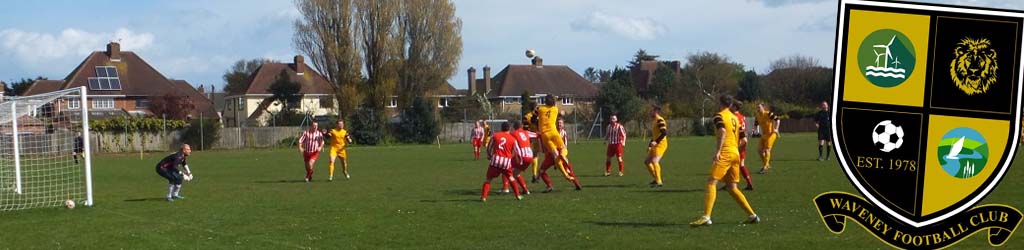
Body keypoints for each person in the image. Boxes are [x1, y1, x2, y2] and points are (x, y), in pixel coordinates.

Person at [691, 95, 760, 226]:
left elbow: (722, 131)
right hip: (735, 154)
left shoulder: (719, 116)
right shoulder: (735, 118)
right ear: (730, 105)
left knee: (711, 182)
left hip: (726, 153)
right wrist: (734, 149)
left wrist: (718, 152)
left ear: (720, 103)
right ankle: (752, 215)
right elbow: (744, 140)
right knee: (732, 187)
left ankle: (706, 217)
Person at [533, 95, 581, 192]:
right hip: (551, 145)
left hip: (546, 137)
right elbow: (560, 113)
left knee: (556, 158)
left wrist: (538, 120)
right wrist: (561, 113)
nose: (559, 124)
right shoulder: (555, 110)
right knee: (561, 156)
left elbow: (534, 119)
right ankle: (551, 185)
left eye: (560, 123)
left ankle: (573, 181)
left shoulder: (540, 109)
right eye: (558, 123)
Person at [481, 122, 522, 202]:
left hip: (495, 160)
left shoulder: (495, 136)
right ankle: (518, 195)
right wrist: (519, 161)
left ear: (501, 128)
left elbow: (489, 147)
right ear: (509, 129)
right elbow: (518, 152)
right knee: (511, 178)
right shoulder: (512, 139)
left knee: (488, 179)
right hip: (506, 162)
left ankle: (484, 197)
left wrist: (489, 155)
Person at [503, 121, 534, 195]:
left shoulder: (514, 133)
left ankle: (505, 188)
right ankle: (525, 190)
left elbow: (506, 137)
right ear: (521, 126)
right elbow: (537, 135)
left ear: (514, 127)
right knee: (516, 173)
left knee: (505, 167)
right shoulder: (526, 132)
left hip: (522, 156)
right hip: (530, 156)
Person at [730, 102, 754, 190]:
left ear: (735, 107)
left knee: (734, 164)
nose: (730, 106)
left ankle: (732, 183)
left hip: (738, 143)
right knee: (739, 164)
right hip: (742, 143)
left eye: (731, 105)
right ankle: (748, 183)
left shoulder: (734, 117)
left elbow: (739, 132)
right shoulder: (742, 116)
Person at [754, 102, 781, 174]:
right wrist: (755, 131)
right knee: (759, 151)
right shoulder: (757, 116)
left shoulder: (769, 113)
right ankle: (767, 164)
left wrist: (776, 129)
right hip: (764, 135)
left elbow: (778, 120)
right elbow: (756, 124)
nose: (758, 109)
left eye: (759, 107)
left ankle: (765, 167)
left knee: (767, 150)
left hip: (771, 134)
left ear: (763, 108)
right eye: (757, 108)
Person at [645, 106, 668, 187]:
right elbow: (654, 135)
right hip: (655, 144)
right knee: (647, 162)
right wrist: (650, 145)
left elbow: (664, 133)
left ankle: (659, 181)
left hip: (661, 144)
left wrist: (656, 141)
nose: (650, 112)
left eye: (651, 111)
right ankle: (656, 179)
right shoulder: (654, 121)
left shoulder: (660, 120)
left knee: (655, 161)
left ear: (656, 111)